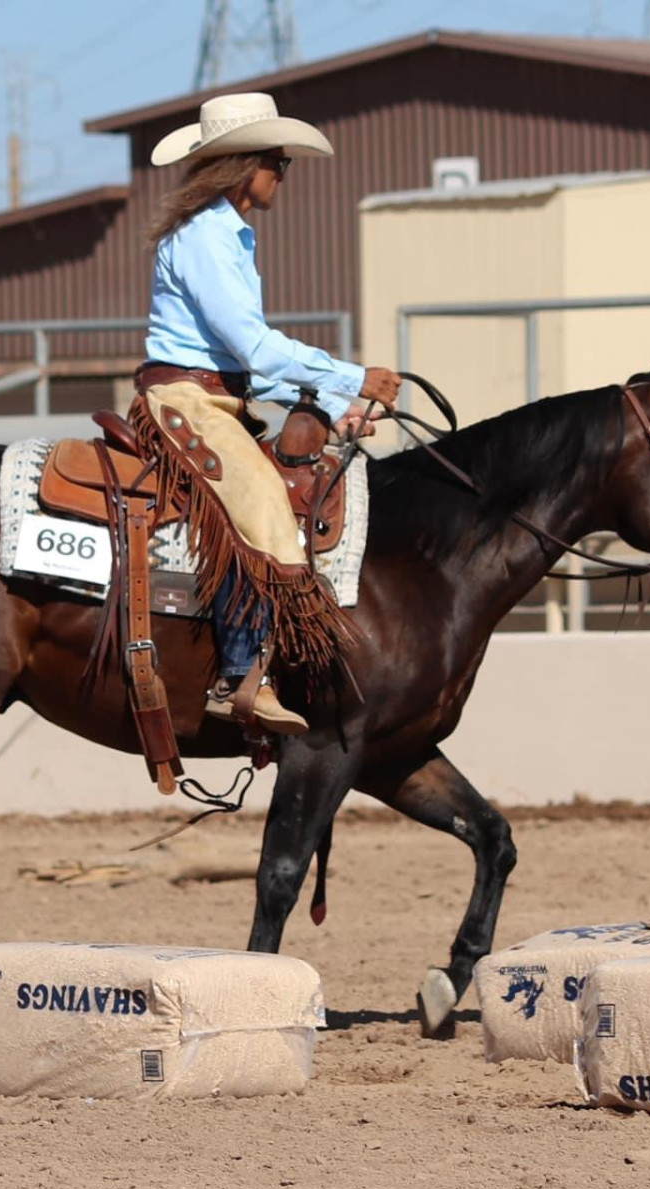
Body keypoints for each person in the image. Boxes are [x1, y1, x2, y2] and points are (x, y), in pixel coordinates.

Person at [136, 92, 402, 735]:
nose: (283, 172)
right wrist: (351, 377)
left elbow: (241, 361)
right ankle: (236, 676)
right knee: (259, 499)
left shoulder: (224, 234)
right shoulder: (206, 237)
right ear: (244, 163)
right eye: (278, 161)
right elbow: (254, 346)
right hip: (186, 401)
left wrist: (334, 407)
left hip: (215, 396)